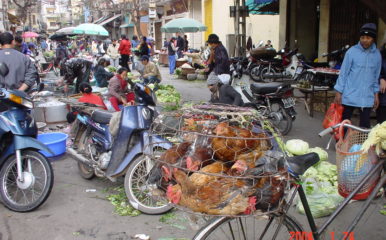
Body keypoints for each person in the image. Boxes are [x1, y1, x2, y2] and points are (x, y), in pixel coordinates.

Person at [334, 23, 381, 128]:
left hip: (367, 97)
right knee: (344, 124)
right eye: (362, 37)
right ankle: (341, 143)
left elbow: (376, 77)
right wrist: (338, 92)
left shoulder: (377, 55)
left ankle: (362, 145)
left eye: (368, 37)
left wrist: (376, 94)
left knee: (364, 126)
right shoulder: (352, 52)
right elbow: (343, 74)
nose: (365, 40)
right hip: (350, 95)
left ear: (373, 39)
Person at [377, 42, 386, 123]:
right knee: (381, 127)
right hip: (383, 97)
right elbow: (373, 72)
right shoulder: (379, 55)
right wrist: (380, 78)